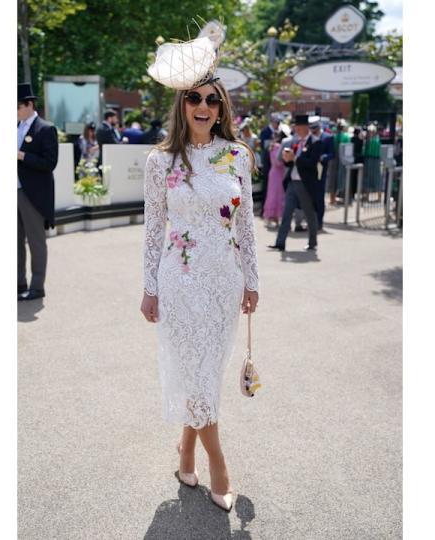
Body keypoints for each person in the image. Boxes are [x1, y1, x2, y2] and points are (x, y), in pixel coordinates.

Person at [140, 37, 259, 514]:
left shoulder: (239, 156)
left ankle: (186, 450)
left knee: (205, 375)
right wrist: (149, 290)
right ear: (182, 104)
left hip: (224, 284)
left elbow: (247, 226)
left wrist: (253, 281)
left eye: (213, 99)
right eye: (195, 98)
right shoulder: (160, 161)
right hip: (180, 283)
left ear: (222, 106)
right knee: (197, 373)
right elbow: (152, 231)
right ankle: (219, 466)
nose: (204, 106)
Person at [17, 82, 58, 301]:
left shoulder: (45, 128)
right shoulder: (15, 127)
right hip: (15, 191)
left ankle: (37, 285)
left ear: (29, 104)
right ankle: (18, 282)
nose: (15, 112)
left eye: (17, 107)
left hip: (32, 194)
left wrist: (22, 156)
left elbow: (50, 163)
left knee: (35, 241)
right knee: (15, 241)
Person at [268, 114, 322, 252]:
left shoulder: (315, 142)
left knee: (309, 213)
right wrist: (288, 159)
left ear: (305, 127)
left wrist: (295, 159)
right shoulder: (295, 142)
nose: (296, 129)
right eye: (295, 127)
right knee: (287, 212)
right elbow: (291, 163)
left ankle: (312, 241)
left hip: (305, 183)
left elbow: (312, 163)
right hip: (293, 181)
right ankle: (280, 242)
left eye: (298, 127)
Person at [262, 130, 287, 227]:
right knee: (275, 195)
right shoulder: (277, 147)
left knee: (276, 195)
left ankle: (274, 218)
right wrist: (286, 161)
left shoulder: (273, 146)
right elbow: (277, 162)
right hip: (277, 173)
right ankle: (270, 217)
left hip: (276, 173)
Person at [364, 124, 383, 203]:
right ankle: (367, 196)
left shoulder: (376, 140)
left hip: (375, 160)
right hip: (368, 159)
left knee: (377, 178)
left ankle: (379, 197)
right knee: (368, 178)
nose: (370, 133)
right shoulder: (368, 141)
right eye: (369, 132)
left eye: (372, 131)